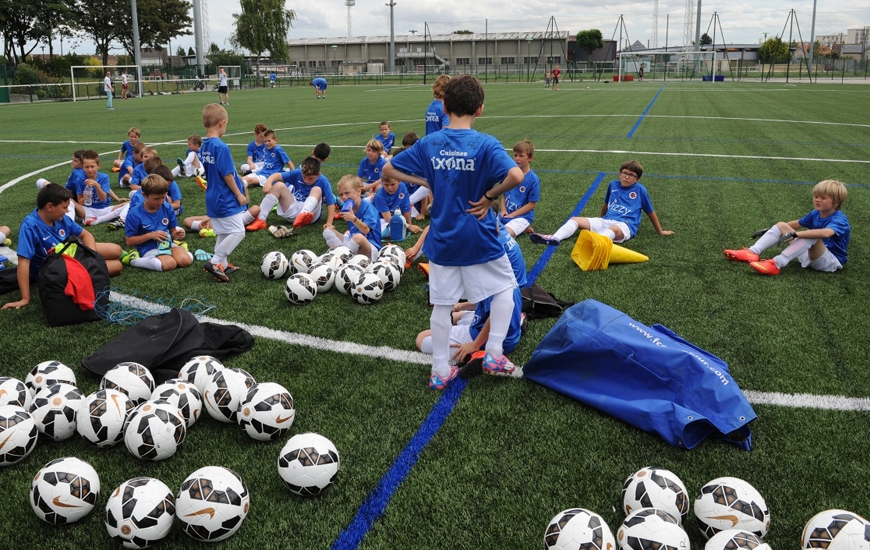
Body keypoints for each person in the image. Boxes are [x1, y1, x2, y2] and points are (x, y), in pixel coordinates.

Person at [385, 75, 525, 389]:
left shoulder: (430, 143)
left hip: (443, 237)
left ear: (445, 106)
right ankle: (493, 352)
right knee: (506, 286)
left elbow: (388, 170)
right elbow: (515, 175)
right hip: (479, 234)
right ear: (480, 109)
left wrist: (426, 182)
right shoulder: (486, 143)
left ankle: (438, 371)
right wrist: (490, 197)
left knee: (443, 304)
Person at [2, 183, 123, 310]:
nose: (67, 211)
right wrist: (25, 298)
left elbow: (86, 235)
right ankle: (84, 270)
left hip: (70, 255)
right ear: (49, 207)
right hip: (55, 270)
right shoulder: (30, 225)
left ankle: (87, 265)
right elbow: (24, 262)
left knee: (116, 250)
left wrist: (91, 257)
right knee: (117, 266)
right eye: (64, 207)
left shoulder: (61, 218)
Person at [416, 226, 526, 363]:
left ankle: (476, 355)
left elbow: (496, 316)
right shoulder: (497, 262)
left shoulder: (485, 270)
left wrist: (474, 345)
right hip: (507, 331)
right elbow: (489, 301)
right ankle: (514, 324)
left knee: (422, 339)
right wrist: (461, 306)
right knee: (454, 316)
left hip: (492, 334)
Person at [530, 160, 673, 246]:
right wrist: (600, 220)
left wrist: (660, 231)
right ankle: (555, 238)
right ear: (619, 173)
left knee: (614, 229)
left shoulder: (640, 190)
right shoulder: (613, 184)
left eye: (632, 175)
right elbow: (605, 204)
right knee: (574, 219)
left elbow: (650, 211)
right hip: (607, 220)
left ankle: (596, 244)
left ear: (638, 179)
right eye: (624, 173)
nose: (627, 177)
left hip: (625, 226)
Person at [724, 179, 850, 276]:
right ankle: (752, 252)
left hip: (829, 261)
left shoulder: (839, 219)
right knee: (782, 225)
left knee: (813, 235)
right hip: (809, 254)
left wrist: (795, 234)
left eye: (823, 198)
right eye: (816, 196)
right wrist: (772, 230)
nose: (817, 200)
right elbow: (794, 225)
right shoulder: (816, 213)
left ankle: (776, 264)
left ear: (837, 202)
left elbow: (826, 233)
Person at [200, 103, 248, 282]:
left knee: (223, 232)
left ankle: (224, 264)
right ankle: (215, 261)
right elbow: (226, 173)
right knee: (238, 231)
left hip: (212, 196)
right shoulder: (221, 147)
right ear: (222, 122)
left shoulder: (205, 146)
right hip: (224, 196)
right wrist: (238, 193)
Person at [122, 174, 192, 272]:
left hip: (166, 243)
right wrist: (150, 236)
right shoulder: (135, 213)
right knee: (169, 264)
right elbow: (129, 241)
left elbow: (172, 231)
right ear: (144, 195)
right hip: (147, 246)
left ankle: (177, 251)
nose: (161, 201)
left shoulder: (167, 207)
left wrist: (176, 234)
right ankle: (133, 260)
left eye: (163, 197)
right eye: (156, 199)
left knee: (185, 261)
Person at [245, 156, 335, 231]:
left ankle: (303, 214)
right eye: (304, 177)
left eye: (311, 178)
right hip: (294, 210)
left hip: (311, 215)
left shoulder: (323, 180)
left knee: (317, 189)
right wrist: (268, 182)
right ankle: (261, 219)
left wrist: (329, 223)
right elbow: (276, 175)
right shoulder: (297, 173)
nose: (307, 181)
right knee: (279, 185)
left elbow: (331, 203)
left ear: (318, 174)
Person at [323, 175, 381, 261]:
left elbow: (366, 230)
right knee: (327, 231)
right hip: (352, 243)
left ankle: (342, 258)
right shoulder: (348, 207)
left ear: (358, 191)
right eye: (341, 194)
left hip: (370, 248)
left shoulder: (368, 207)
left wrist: (353, 219)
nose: (344, 197)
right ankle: (342, 254)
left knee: (358, 237)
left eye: (347, 193)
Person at [500, 140, 540, 238]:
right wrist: (503, 210)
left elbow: (532, 204)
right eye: (515, 155)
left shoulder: (533, 180)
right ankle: (523, 228)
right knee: (486, 229)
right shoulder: (509, 174)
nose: (517, 159)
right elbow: (504, 195)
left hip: (522, 217)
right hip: (507, 214)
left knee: (503, 235)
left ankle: (525, 225)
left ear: (530, 158)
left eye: (521, 156)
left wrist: (512, 215)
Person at [78, 150, 128, 227]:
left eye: (92, 166)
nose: (90, 169)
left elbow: (103, 198)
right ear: (82, 166)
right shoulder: (80, 180)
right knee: (70, 202)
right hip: (88, 210)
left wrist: (97, 185)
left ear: (98, 165)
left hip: (105, 209)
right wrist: (85, 198)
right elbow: (80, 202)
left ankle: (100, 219)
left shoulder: (104, 177)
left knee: (131, 203)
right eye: (86, 167)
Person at [372, 174, 423, 239]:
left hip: (396, 215)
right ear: (382, 183)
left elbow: (405, 207)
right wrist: (408, 226)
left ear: (399, 181)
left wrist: (410, 224)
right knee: (385, 231)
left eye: (393, 184)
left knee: (399, 227)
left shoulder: (402, 187)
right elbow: (388, 219)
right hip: (382, 219)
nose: (389, 188)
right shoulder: (379, 196)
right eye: (386, 185)